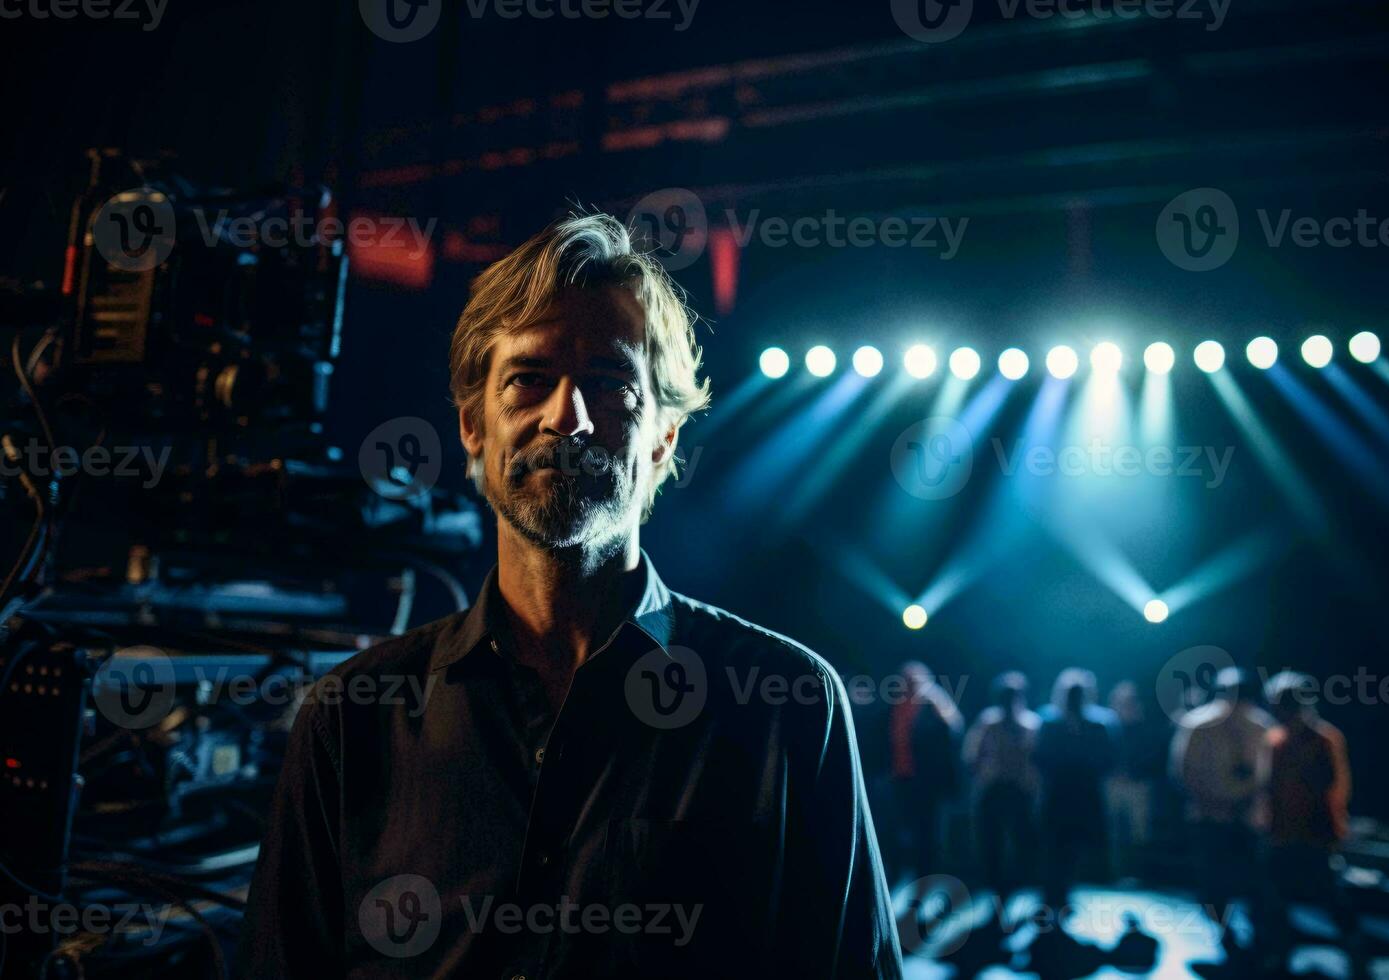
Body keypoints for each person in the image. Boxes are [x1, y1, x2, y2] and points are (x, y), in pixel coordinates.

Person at [237, 212, 902, 978]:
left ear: (663, 439)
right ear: (473, 425)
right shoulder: (352, 720)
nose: (567, 416)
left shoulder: (788, 707)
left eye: (610, 382)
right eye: (529, 378)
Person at [1259, 671, 1365, 977]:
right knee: (1274, 895)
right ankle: (1278, 951)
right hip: (1281, 832)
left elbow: (1335, 786)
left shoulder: (1324, 739)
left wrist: (1331, 830)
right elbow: (1269, 786)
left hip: (1316, 833)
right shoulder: (1275, 740)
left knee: (1329, 893)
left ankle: (1354, 948)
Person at [1169, 666, 1273, 964]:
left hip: (1247, 821)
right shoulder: (1199, 724)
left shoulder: (1261, 726)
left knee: (1253, 881)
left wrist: (1246, 800)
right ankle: (1226, 933)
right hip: (1209, 820)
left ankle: (1256, 941)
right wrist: (1215, 802)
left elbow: (1269, 775)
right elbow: (1183, 772)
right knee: (1214, 882)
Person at [1034, 668, 1118, 910]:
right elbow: (1040, 758)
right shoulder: (1049, 723)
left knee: (1074, 849)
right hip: (1058, 796)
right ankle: (1053, 896)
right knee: (1054, 849)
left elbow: (1109, 760)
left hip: (1085, 797)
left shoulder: (1100, 724)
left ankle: (1062, 893)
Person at [886, 661, 963, 893]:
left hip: (926, 782)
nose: (908, 685)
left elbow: (953, 730)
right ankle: (899, 875)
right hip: (901, 777)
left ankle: (926, 879)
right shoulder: (897, 704)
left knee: (927, 833)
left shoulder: (932, 703)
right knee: (900, 829)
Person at [963, 671, 1040, 898]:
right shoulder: (988, 722)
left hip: (1019, 790)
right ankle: (996, 886)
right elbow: (971, 754)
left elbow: (1037, 761)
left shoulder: (1031, 724)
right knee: (991, 840)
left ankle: (1017, 886)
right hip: (994, 789)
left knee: (1022, 840)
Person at [1105, 680, 1165, 880]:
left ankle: (1137, 874)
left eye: (1129, 701)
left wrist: (1135, 773)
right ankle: (1114, 873)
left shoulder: (1147, 729)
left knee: (1140, 832)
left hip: (1139, 785)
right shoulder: (1107, 727)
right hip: (1112, 784)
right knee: (1111, 830)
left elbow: (1155, 757)